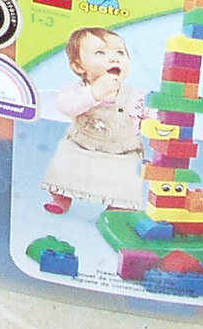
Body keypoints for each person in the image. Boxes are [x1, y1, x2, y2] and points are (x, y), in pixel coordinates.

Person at [40, 27, 149, 215]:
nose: (114, 58)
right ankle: (60, 197)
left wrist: (156, 120)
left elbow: (147, 114)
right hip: (81, 144)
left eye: (120, 53)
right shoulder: (77, 89)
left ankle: (118, 207)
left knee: (124, 179)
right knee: (64, 168)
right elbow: (65, 106)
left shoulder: (135, 95)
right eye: (100, 52)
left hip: (120, 151)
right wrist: (95, 92)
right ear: (78, 66)